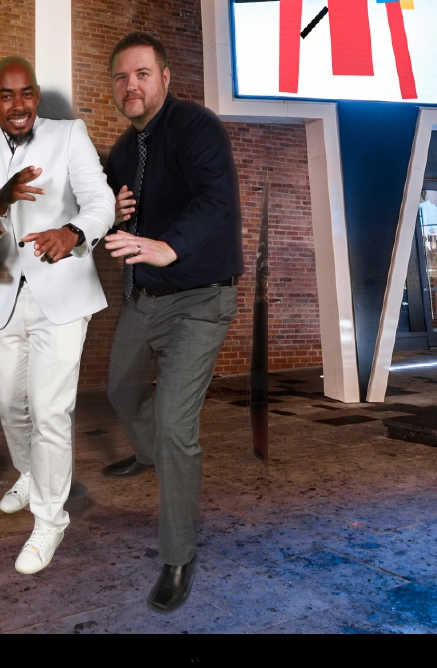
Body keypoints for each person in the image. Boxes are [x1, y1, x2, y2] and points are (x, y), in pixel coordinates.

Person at [100, 32, 243, 615]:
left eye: (141, 74)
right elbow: (102, 211)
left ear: (164, 77)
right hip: (145, 300)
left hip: (199, 300)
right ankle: (152, 454)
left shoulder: (195, 127)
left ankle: (178, 555)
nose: (130, 85)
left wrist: (168, 246)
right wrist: (109, 212)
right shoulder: (121, 150)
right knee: (121, 390)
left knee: (175, 424)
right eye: (120, 77)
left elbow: (216, 201)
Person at [0, 56, 115, 575]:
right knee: (10, 403)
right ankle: (31, 472)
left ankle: (50, 520)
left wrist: (72, 233)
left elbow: (101, 203)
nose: (19, 104)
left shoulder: (69, 135)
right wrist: (0, 202)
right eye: (6, 95)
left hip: (63, 295)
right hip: (5, 293)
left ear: (35, 95)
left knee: (51, 411)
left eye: (26, 92)